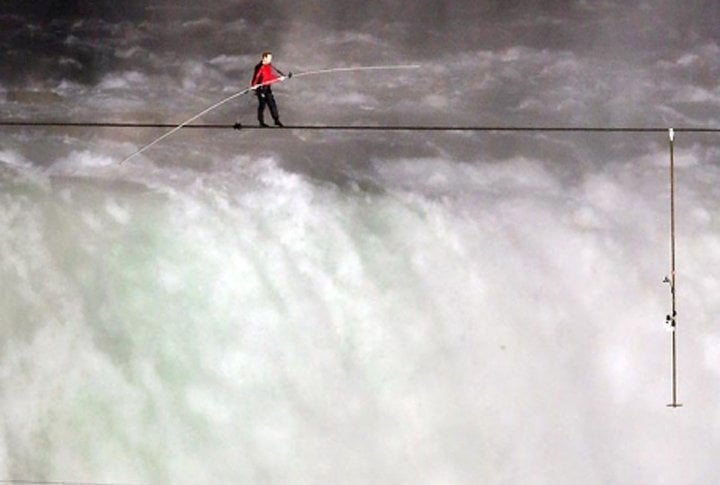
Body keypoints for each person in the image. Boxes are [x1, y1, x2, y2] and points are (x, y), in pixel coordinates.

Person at [251, 51, 290, 127]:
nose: (270, 60)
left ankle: (276, 120)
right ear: (264, 58)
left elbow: (270, 77)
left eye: (270, 58)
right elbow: (256, 77)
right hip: (260, 88)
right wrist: (254, 86)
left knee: (272, 104)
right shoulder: (260, 67)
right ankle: (261, 122)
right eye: (269, 58)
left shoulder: (269, 66)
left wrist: (279, 78)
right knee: (262, 105)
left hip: (267, 88)